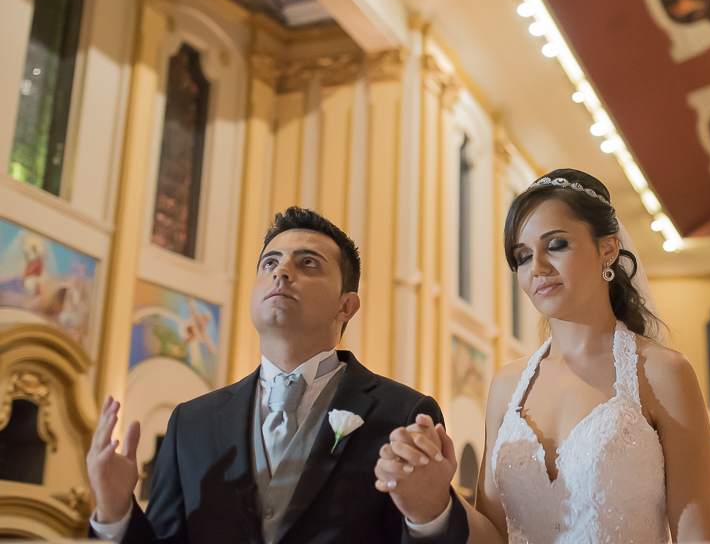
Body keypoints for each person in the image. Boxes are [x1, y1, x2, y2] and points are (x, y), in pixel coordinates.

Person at [376, 170, 710, 543]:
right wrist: (436, 499)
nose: (537, 268)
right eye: (522, 257)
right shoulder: (507, 386)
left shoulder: (663, 373)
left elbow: (700, 538)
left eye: (556, 245)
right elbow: (495, 536)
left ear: (608, 248)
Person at [87, 207, 467, 544]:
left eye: (308, 263)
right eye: (270, 263)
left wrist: (429, 517)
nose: (282, 271)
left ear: (346, 305)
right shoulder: (192, 422)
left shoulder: (402, 413)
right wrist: (114, 511)